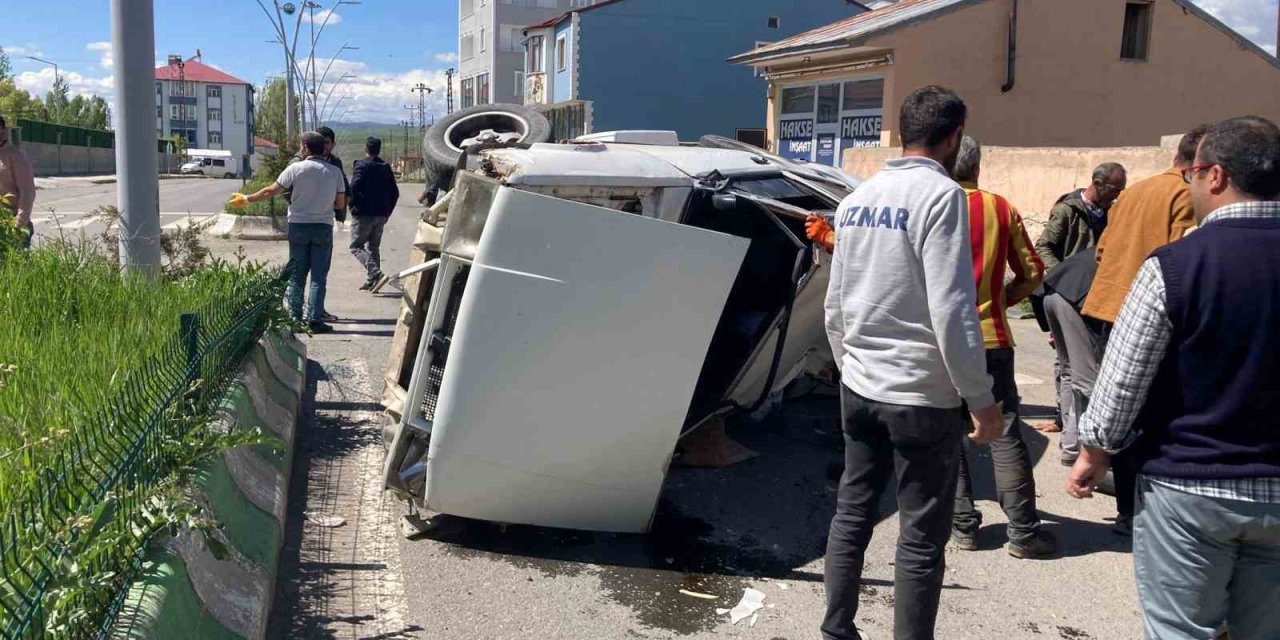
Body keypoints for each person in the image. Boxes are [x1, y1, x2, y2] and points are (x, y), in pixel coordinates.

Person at [1068, 116, 1280, 640]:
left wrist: (1094, 453)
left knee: (1181, 632)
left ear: (1214, 176)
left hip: (1190, 487)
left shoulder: (1176, 266)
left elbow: (1123, 378)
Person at [822, 85, 1002, 640]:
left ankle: (836, 629)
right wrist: (981, 400)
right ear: (952, 138)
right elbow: (952, 309)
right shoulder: (942, 197)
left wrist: (848, 368)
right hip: (921, 395)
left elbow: (835, 305)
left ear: (902, 131)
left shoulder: (855, 201)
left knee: (852, 513)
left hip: (862, 385)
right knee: (921, 538)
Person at [948, 136, 1056, 559]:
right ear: (978, 164)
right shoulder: (1000, 207)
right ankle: (1024, 533)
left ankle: (964, 528)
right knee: (1005, 431)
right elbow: (1032, 270)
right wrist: (1005, 299)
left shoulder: (927, 203)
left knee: (951, 432)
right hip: (991, 337)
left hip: (941, 341)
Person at [1082, 125, 1206, 325]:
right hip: (1146, 315)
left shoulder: (1132, 191)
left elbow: (1101, 251)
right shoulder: (1186, 195)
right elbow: (1181, 265)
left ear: (1176, 156)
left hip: (1106, 306)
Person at [232, 132, 346, 333]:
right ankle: (315, 319)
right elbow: (340, 203)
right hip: (323, 227)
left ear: (305, 147)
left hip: (298, 226)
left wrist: (247, 199)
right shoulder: (334, 172)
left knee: (296, 274)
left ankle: (294, 318)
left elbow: (270, 191)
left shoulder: (295, 169)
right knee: (319, 276)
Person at [1034, 162, 1127, 270]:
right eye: (1114, 191)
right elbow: (1043, 247)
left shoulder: (1111, 213)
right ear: (1098, 184)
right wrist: (1060, 275)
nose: (1116, 196)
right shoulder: (1067, 211)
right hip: (1071, 282)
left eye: (1120, 191)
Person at [349, 136, 399, 291]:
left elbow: (354, 188)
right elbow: (395, 193)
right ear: (379, 149)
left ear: (366, 149)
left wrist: (351, 206)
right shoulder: (385, 167)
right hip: (381, 215)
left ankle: (375, 273)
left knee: (356, 246)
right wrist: (387, 212)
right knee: (373, 247)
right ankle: (373, 280)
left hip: (363, 214)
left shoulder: (361, 166)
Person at [0, 115, 37, 249]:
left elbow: (27, 193)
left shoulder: (16, 157)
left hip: (12, 226)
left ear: (3, 131)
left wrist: (18, 226)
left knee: (17, 268)